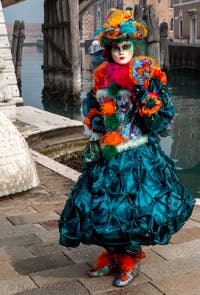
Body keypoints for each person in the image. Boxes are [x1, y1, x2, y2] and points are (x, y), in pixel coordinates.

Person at [59, 8, 195, 287]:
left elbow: (163, 118)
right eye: (116, 48)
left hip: (138, 153)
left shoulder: (149, 74)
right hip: (108, 153)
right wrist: (96, 121)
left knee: (134, 210)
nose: (121, 52)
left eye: (126, 47)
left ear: (134, 47)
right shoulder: (101, 76)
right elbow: (93, 107)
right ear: (108, 50)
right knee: (98, 208)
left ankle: (130, 259)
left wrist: (146, 99)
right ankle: (112, 256)